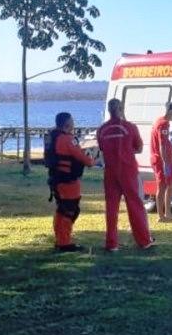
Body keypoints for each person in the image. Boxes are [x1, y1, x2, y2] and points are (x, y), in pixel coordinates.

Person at [97, 98, 155, 251]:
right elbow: (139, 148)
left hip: (110, 171)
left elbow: (102, 148)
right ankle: (143, 240)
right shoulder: (130, 127)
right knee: (135, 205)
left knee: (111, 208)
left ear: (109, 110)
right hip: (128, 169)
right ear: (121, 109)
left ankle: (111, 243)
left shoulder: (102, 129)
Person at [45, 112, 95, 252]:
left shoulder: (52, 137)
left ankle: (60, 239)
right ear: (67, 123)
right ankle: (65, 242)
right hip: (68, 181)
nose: (74, 123)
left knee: (61, 210)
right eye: (72, 121)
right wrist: (91, 161)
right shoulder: (68, 139)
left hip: (56, 179)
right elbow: (82, 157)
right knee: (70, 210)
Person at [150, 102, 172, 223]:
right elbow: (162, 144)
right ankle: (161, 215)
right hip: (161, 159)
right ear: (171, 110)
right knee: (162, 186)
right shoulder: (163, 124)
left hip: (165, 159)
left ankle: (168, 212)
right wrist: (165, 163)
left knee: (171, 184)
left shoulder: (161, 121)